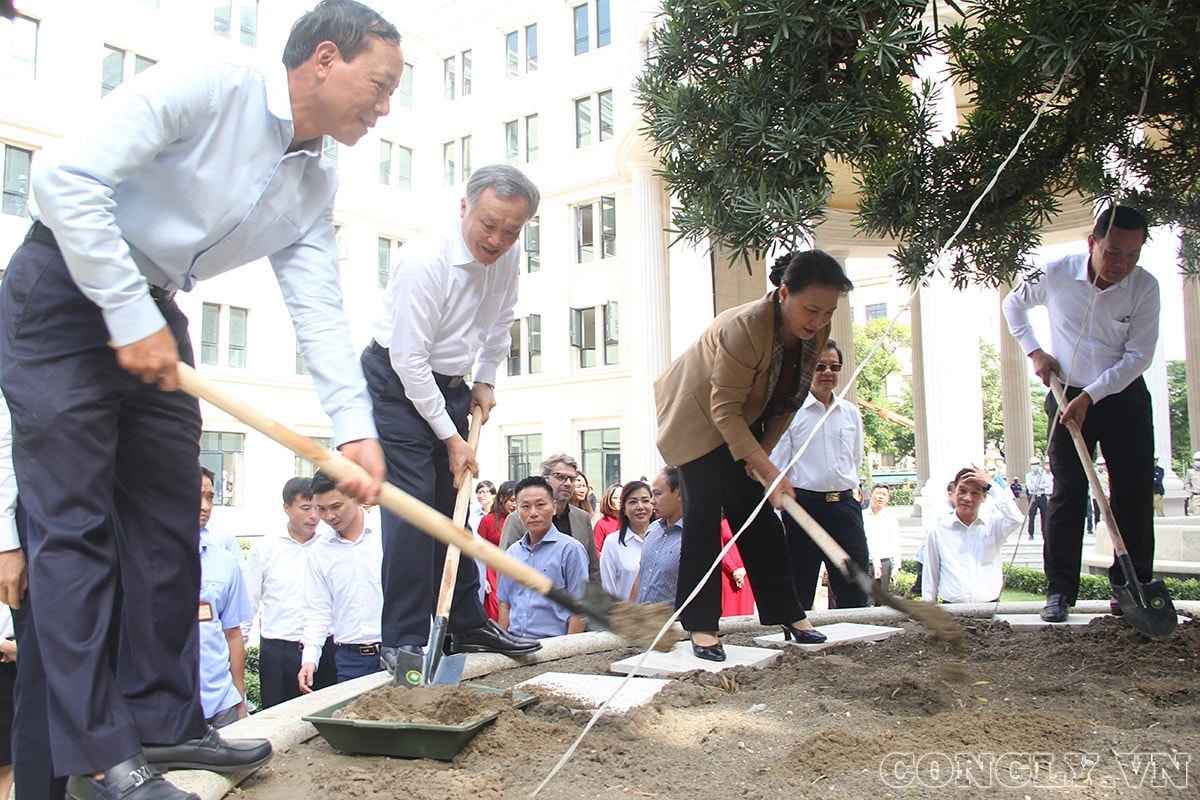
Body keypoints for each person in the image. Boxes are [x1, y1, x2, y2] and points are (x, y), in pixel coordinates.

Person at [0, 1, 402, 793]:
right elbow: (61, 177)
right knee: (76, 531)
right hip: (64, 291)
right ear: (325, 58)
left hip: (154, 310)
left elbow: (319, 306)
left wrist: (354, 429)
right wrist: (122, 311)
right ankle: (100, 758)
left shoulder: (316, 180)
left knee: (166, 528)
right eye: (380, 85)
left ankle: (163, 724)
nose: (385, 108)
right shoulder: (211, 86)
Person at [363, 164, 542, 665]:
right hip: (397, 383)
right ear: (464, 207)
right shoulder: (425, 260)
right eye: (488, 224)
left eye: (511, 230)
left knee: (456, 504)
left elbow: (500, 322)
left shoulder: (508, 255)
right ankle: (402, 639)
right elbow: (408, 360)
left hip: (452, 382)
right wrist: (450, 436)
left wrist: (484, 380)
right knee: (414, 507)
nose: (497, 238)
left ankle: (465, 623)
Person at [654, 250, 848, 660]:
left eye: (827, 312)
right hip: (699, 416)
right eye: (811, 309)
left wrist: (761, 456)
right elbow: (721, 407)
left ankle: (788, 612)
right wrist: (766, 467)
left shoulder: (813, 332)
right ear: (784, 292)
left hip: (746, 418)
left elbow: (789, 399)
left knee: (758, 516)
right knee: (704, 515)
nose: (817, 321)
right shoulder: (745, 326)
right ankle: (701, 624)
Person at [1002, 205, 1160, 623]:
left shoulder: (1145, 288)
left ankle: (1132, 586)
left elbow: (1139, 355)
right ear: (1092, 243)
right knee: (1068, 492)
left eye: (1132, 255)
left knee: (1133, 492)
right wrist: (1035, 352)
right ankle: (1059, 592)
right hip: (1066, 391)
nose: (1121, 264)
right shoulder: (1055, 273)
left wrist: (1093, 393)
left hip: (1122, 396)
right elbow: (1013, 305)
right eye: (1113, 252)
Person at [770, 339, 869, 610]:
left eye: (834, 367)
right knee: (799, 585)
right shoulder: (791, 413)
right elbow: (777, 467)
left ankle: (856, 639)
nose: (828, 373)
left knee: (854, 583)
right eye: (820, 367)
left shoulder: (850, 413)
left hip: (845, 508)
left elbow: (854, 459)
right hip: (804, 508)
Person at [243, 477, 338, 710]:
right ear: (286, 508)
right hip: (279, 653)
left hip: (325, 649)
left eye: (317, 507)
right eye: (305, 508)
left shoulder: (331, 544)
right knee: (277, 720)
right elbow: (248, 603)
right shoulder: (265, 549)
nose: (314, 516)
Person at [299, 471, 384, 689]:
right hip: (351, 660)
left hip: (399, 652)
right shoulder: (319, 551)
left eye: (336, 506)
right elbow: (317, 609)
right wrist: (310, 659)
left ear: (355, 497)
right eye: (322, 509)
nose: (329, 516)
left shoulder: (386, 533)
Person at [196, 470, 254, 729]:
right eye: (196, 496)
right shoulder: (146, 559)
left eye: (210, 497)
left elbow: (233, 634)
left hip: (221, 704)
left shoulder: (224, 562)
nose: (205, 506)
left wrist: (239, 699)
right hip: (171, 708)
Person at [496, 477, 588, 639]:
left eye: (540, 505)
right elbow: (505, 604)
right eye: (525, 506)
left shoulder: (570, 550)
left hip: (553, 646)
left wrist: (567, 652)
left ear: (553, 507)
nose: (533, 513)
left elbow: (579, 607)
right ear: (517, 512)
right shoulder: (512, 553)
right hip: (516, 643)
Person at [922, 466, 1023, 604]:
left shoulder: (993, 525)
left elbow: (1016, 518)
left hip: (989, 609)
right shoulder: (938, 530)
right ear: (954, 491)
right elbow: (930, 575)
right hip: (952, 611)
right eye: (962, 491)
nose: (967, 498)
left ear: (984, 497)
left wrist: (991, 484)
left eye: (975, 493)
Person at [501, 454, 601, 584]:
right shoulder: (518, 519)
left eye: (572, 479)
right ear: (545, 479)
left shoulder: (581, 518)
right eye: (560, 477)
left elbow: (592, 569)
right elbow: (505, 568)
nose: (567, 483)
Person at [631, 468, 684, 606]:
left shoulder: (692, 538)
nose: (652, 501)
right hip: (641, 622)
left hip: (672, 624)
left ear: (678, 494)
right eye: (651, 495)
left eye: (657, 494)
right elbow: (641, 575)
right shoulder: (653, 529)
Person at [598, 480, 652, 600]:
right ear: (624, 509)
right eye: (633, 502)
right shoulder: (612, 543)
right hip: (626, 616)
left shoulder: (663, 540)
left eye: (645, 501)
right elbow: (608, 589)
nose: (640, 507)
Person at [474, 480, 516, 621]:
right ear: (502, 499)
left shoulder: (521, 520)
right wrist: (483, 577)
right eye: (511, 500)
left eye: (517, 501)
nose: (514, 505)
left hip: (514, 568)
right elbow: (478, 549)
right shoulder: (488, 520)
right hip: (492, 571)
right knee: (496, 607)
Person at [863, 484, 903, 602]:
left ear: (888, 499)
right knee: (865, 600)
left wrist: (896, 567)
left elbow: (895, 543)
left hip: (884, 563)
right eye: (878, 493)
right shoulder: (862, 516)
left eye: (884, 495)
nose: (880, 497)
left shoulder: (890, 519)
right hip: (867, 563)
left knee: (882, 601)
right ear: (871, 495)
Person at [719, 519, 756, 616]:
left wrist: (745, 569)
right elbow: (719, 548)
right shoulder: (720, 524)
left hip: (746, 574)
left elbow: (755, 547)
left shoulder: (749, 523)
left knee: (746, 610)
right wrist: (733, 569)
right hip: (727, 574)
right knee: (728, 609)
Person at [1024, 457, 1051, 539]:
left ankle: (1045, 534)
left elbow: (1047, 484)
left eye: (1036, 464)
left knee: (1045, 516)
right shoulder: (1028, 475)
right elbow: (1030, 487)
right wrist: (1039, 486)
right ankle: (1031, 534)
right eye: (1033, 464)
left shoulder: (1043, 474)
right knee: (1032, 516)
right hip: (1033, 497)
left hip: (1042, 496)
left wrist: (1037, 486)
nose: (1034, 466)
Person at [593, 484, 622, 556]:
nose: (619, 501)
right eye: (615, 498)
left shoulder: (632, 522)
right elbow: (596, 550)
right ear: (608, 499)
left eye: (622, 497)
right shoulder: (601, 524)